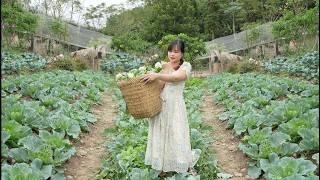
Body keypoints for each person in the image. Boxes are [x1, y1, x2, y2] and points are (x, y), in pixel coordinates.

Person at [140, 39, 201, 177]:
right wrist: (154, 78)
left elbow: (176, 78)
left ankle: (183, 164)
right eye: (170, 51)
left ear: (182, 53)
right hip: (162, 106)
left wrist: (158, 74)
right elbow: (161, 86)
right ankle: (163, 166)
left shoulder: (185, 66)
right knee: (161, 134)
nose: (172, 54)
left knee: (177, 134)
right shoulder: (164, 66)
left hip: (176, 107)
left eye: (176, 51)